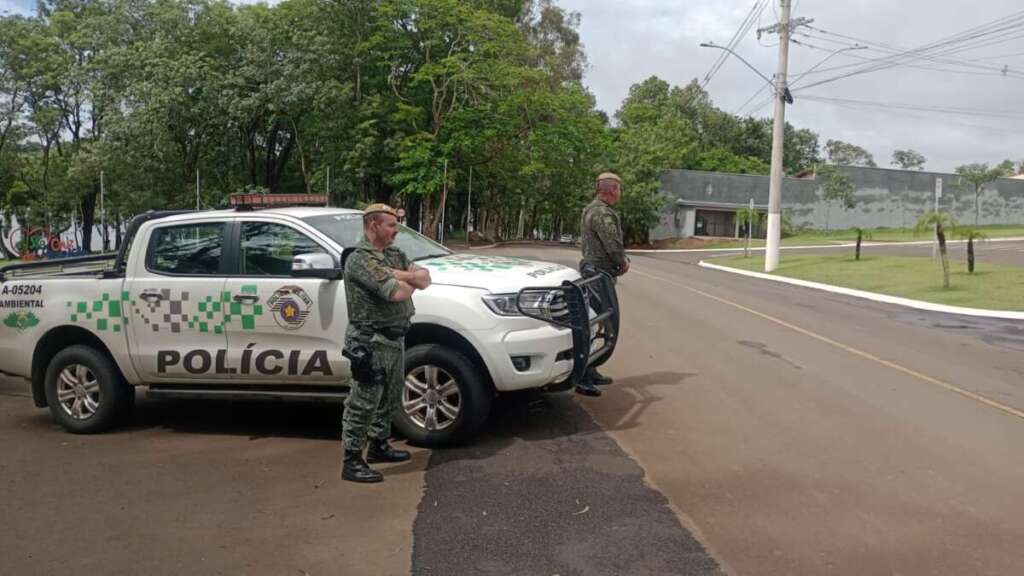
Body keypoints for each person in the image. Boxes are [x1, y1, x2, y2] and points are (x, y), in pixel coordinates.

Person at [341, 203, 432, 483]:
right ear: (373, 225)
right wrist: (407, 278)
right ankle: (352, 459)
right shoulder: (360, 259)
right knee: (363, 402)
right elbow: (397, 294)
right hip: (371, 341)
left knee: (389, 398)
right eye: (391, 226)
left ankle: (379, 446)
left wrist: (400, 273)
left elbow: (426, 279)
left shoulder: (392, 254)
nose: (396, 232)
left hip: (394, 338)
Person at [577, 172, 629, 397]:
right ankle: (583, 375)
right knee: (604, 323)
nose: (620, 193)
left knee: (596, 322)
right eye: (618, 188)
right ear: (610, 190)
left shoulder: (591, 208)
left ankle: (591, 368)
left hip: (595, 272)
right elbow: (612, 243)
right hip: (599, 275)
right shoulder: (602, 213)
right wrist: (622, 261)